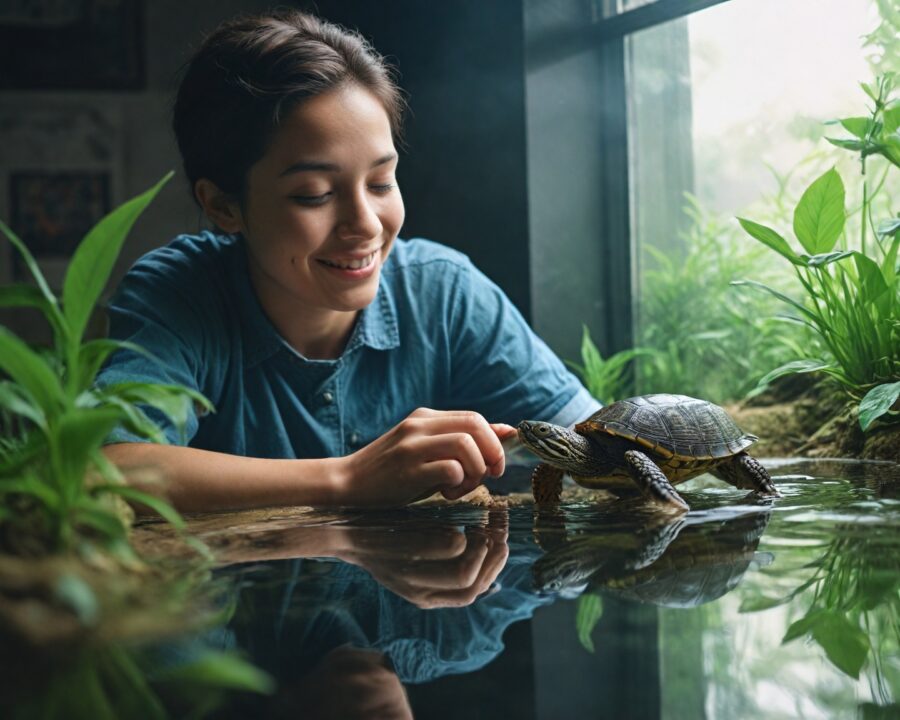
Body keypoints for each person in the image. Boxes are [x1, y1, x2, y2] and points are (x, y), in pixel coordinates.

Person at [99, 9, 599, 513]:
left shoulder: (444, 295)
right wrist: (347, 479)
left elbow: (597, 452)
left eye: (382, 182)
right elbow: (109, 472)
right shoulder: (181, 295)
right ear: (224, 205)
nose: (365, 224)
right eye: (314, 194)